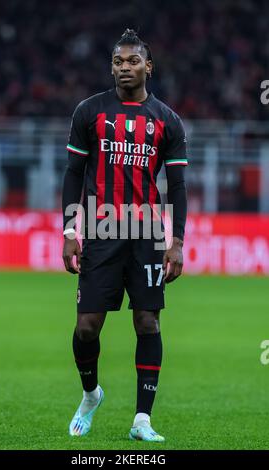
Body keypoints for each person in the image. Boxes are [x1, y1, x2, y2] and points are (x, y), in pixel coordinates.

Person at [62, 29, 188, 442]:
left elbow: (179, 185)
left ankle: (142, 420)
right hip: (101, 228)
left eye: (133, 61)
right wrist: (69, 228)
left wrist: (177, 241)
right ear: (111, 66)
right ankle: (90, 393)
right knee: (86, 328)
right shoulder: (89, 111)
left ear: (148, 66)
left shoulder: (167, 120)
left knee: (148, 321)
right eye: (118, 61)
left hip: (147, 232)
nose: (124, 68)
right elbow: (74, 173)